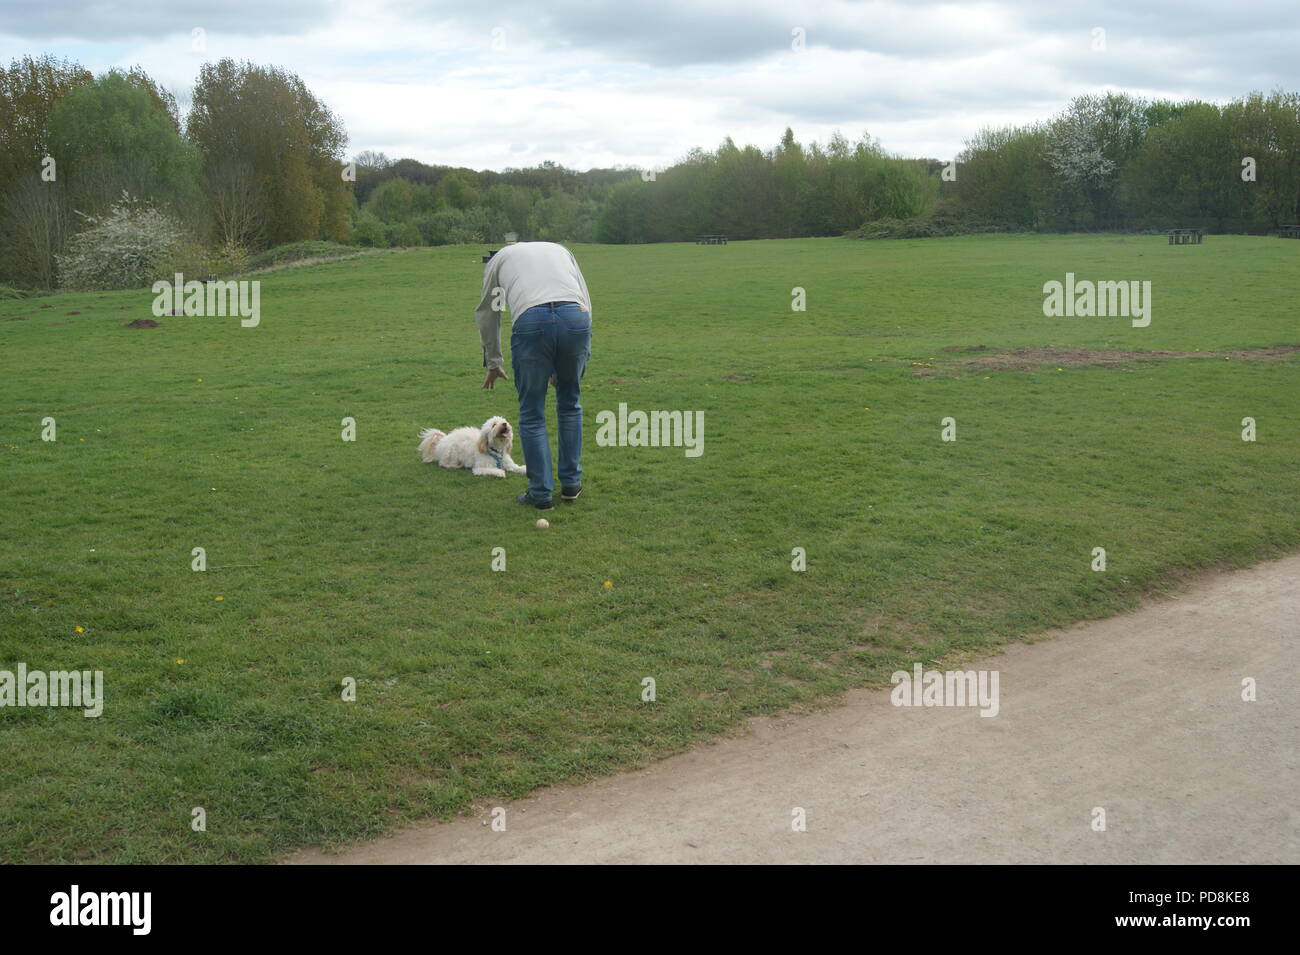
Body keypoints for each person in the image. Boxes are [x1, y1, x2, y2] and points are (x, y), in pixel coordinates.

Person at [475, 241, 592, 510]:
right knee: (570, 402)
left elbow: (488, 313)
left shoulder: (498, 260)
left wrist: (493, 361)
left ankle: (540, 493)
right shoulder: (560, 249)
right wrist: (581, 353)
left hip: (532, 320)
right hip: (576, 318)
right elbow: (584, 298)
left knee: (531, 412)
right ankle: (571, 484)